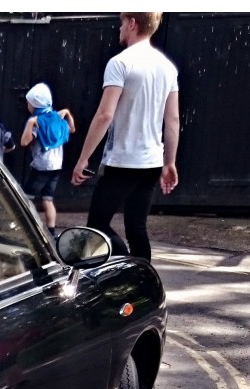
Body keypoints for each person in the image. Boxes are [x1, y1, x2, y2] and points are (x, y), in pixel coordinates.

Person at [70, 12, 180, 261]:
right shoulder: (168, 68)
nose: (119, 28)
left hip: (122, 162)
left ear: (132, 23)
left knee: (96, 226)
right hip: (152, 163)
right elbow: (172, 119)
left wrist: (83, 158)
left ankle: (127, 265)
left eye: (121, 23)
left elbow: (105, 115)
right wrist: (170, 162)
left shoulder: (120, 63)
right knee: (136, 227)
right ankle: (143, 280)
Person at [20, 83, 75, 235]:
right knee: (47, 199)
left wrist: (30, 124)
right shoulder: (57, 119)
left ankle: (29, 229)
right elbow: (72, 129)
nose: (27, 105)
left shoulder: (39, 122)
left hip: (41, 167)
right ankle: (51, 232)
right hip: (56, 167)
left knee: (26, 199)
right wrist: (68, 114)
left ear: (35, 104)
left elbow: (24, 142)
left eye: (29, 103)